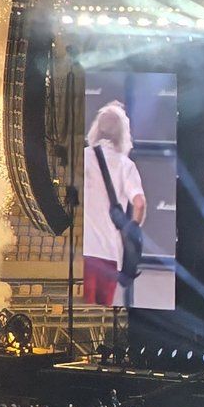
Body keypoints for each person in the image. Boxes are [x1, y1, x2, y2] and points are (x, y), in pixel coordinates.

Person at [80, 100, 147, 309]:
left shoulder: (82, 157)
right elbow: (139, 203)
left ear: (97, 128)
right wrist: (132, 228)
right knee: (99, 318)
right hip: (109, 255)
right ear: (122, 133)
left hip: (81, 252)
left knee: (80, 316)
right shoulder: (125, 165)